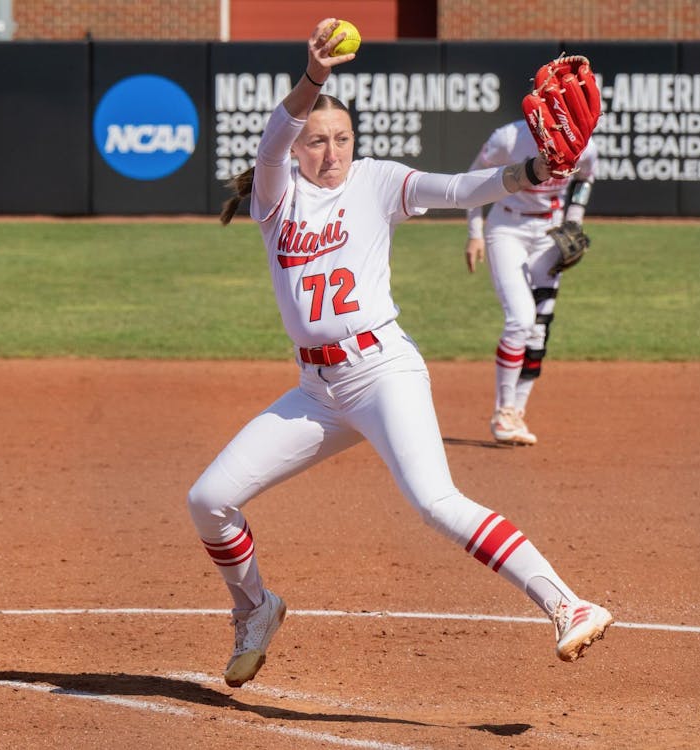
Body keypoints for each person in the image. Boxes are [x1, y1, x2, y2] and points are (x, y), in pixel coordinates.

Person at [187, 18, 613, 689]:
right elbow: (273, 137)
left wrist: (534, 170)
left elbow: (459, 189)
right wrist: (315, 78)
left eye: (342, 139)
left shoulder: (375, 181)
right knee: (209, 498)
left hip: (383, 371)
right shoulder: (276, 197)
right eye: (318, 140)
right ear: (298, 148)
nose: (332, 152)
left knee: (434, 500)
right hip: (315, 392)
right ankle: (256, 610)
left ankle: (566, 602)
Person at [465, 122, 598, 445]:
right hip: (507, 228)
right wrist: (475, 233)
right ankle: (503, 412)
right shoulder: (509, 137)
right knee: (521, 319)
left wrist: (574, 220)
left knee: (539, 327)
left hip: (550, 234)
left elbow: (585, 177)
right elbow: (472, 178)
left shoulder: (583, 142)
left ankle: (515, 414)